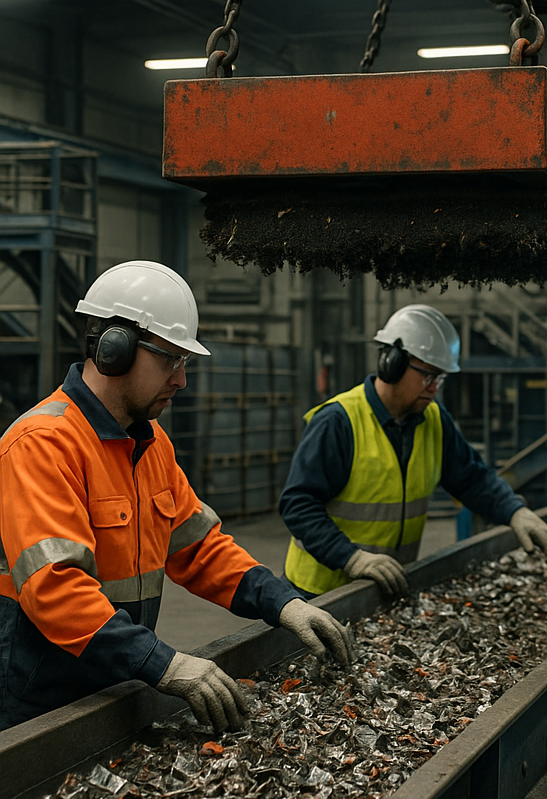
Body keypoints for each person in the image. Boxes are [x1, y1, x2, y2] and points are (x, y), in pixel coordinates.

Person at [0, 260, 354, 735]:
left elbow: (198, 547)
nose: (181, 380)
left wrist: (283, 603)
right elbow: (56, 589)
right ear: (114, 350)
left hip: (114, 684)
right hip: (37, 706)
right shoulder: (43, 443)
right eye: (170, 359)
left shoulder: (149, 443)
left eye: (184, 362)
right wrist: (165, 663)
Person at [280, 303, 547, 597]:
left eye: (440, 378)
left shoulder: (434, 420)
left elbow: (472, 479)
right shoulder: (339, 421)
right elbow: (298, 504)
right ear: (392, 363)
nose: (434, 388)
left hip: (384, 589)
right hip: (317, 594)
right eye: (427, 376)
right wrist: (351, 558)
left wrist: (515, 512)